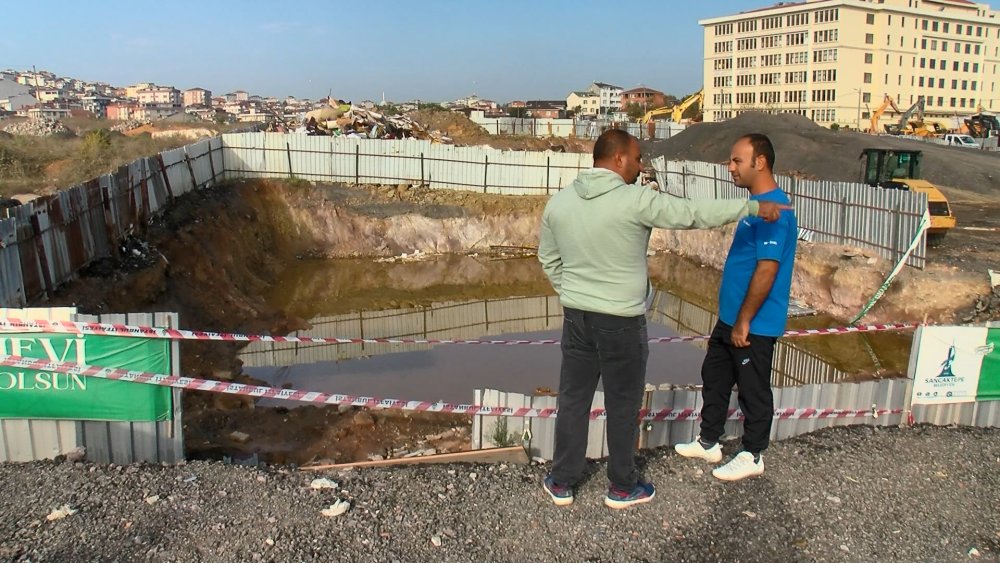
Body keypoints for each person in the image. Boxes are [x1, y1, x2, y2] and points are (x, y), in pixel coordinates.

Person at [538, 129, 789, 509]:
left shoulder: (560, 203)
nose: (641, 167)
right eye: (637, 158)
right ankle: (622, 487)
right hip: (621, 321)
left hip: (577, 318)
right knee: (623, 404)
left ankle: (561, 481)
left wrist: (571, 292)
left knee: (573, 400)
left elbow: (548, 259)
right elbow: (691, 214)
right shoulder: (636, 200)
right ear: (619, 159)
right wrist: (751, 208)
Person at [674, 133, 797, 482]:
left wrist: (744, 321)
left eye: (737, 161)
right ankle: (709, 441)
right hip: (731, 318)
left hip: (753, 323)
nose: (730, 167)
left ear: (760, 162)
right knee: (714, 377)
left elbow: (767, 269)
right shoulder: (755, 207)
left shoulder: (775, 210)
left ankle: (752, 453)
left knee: (753, 388)